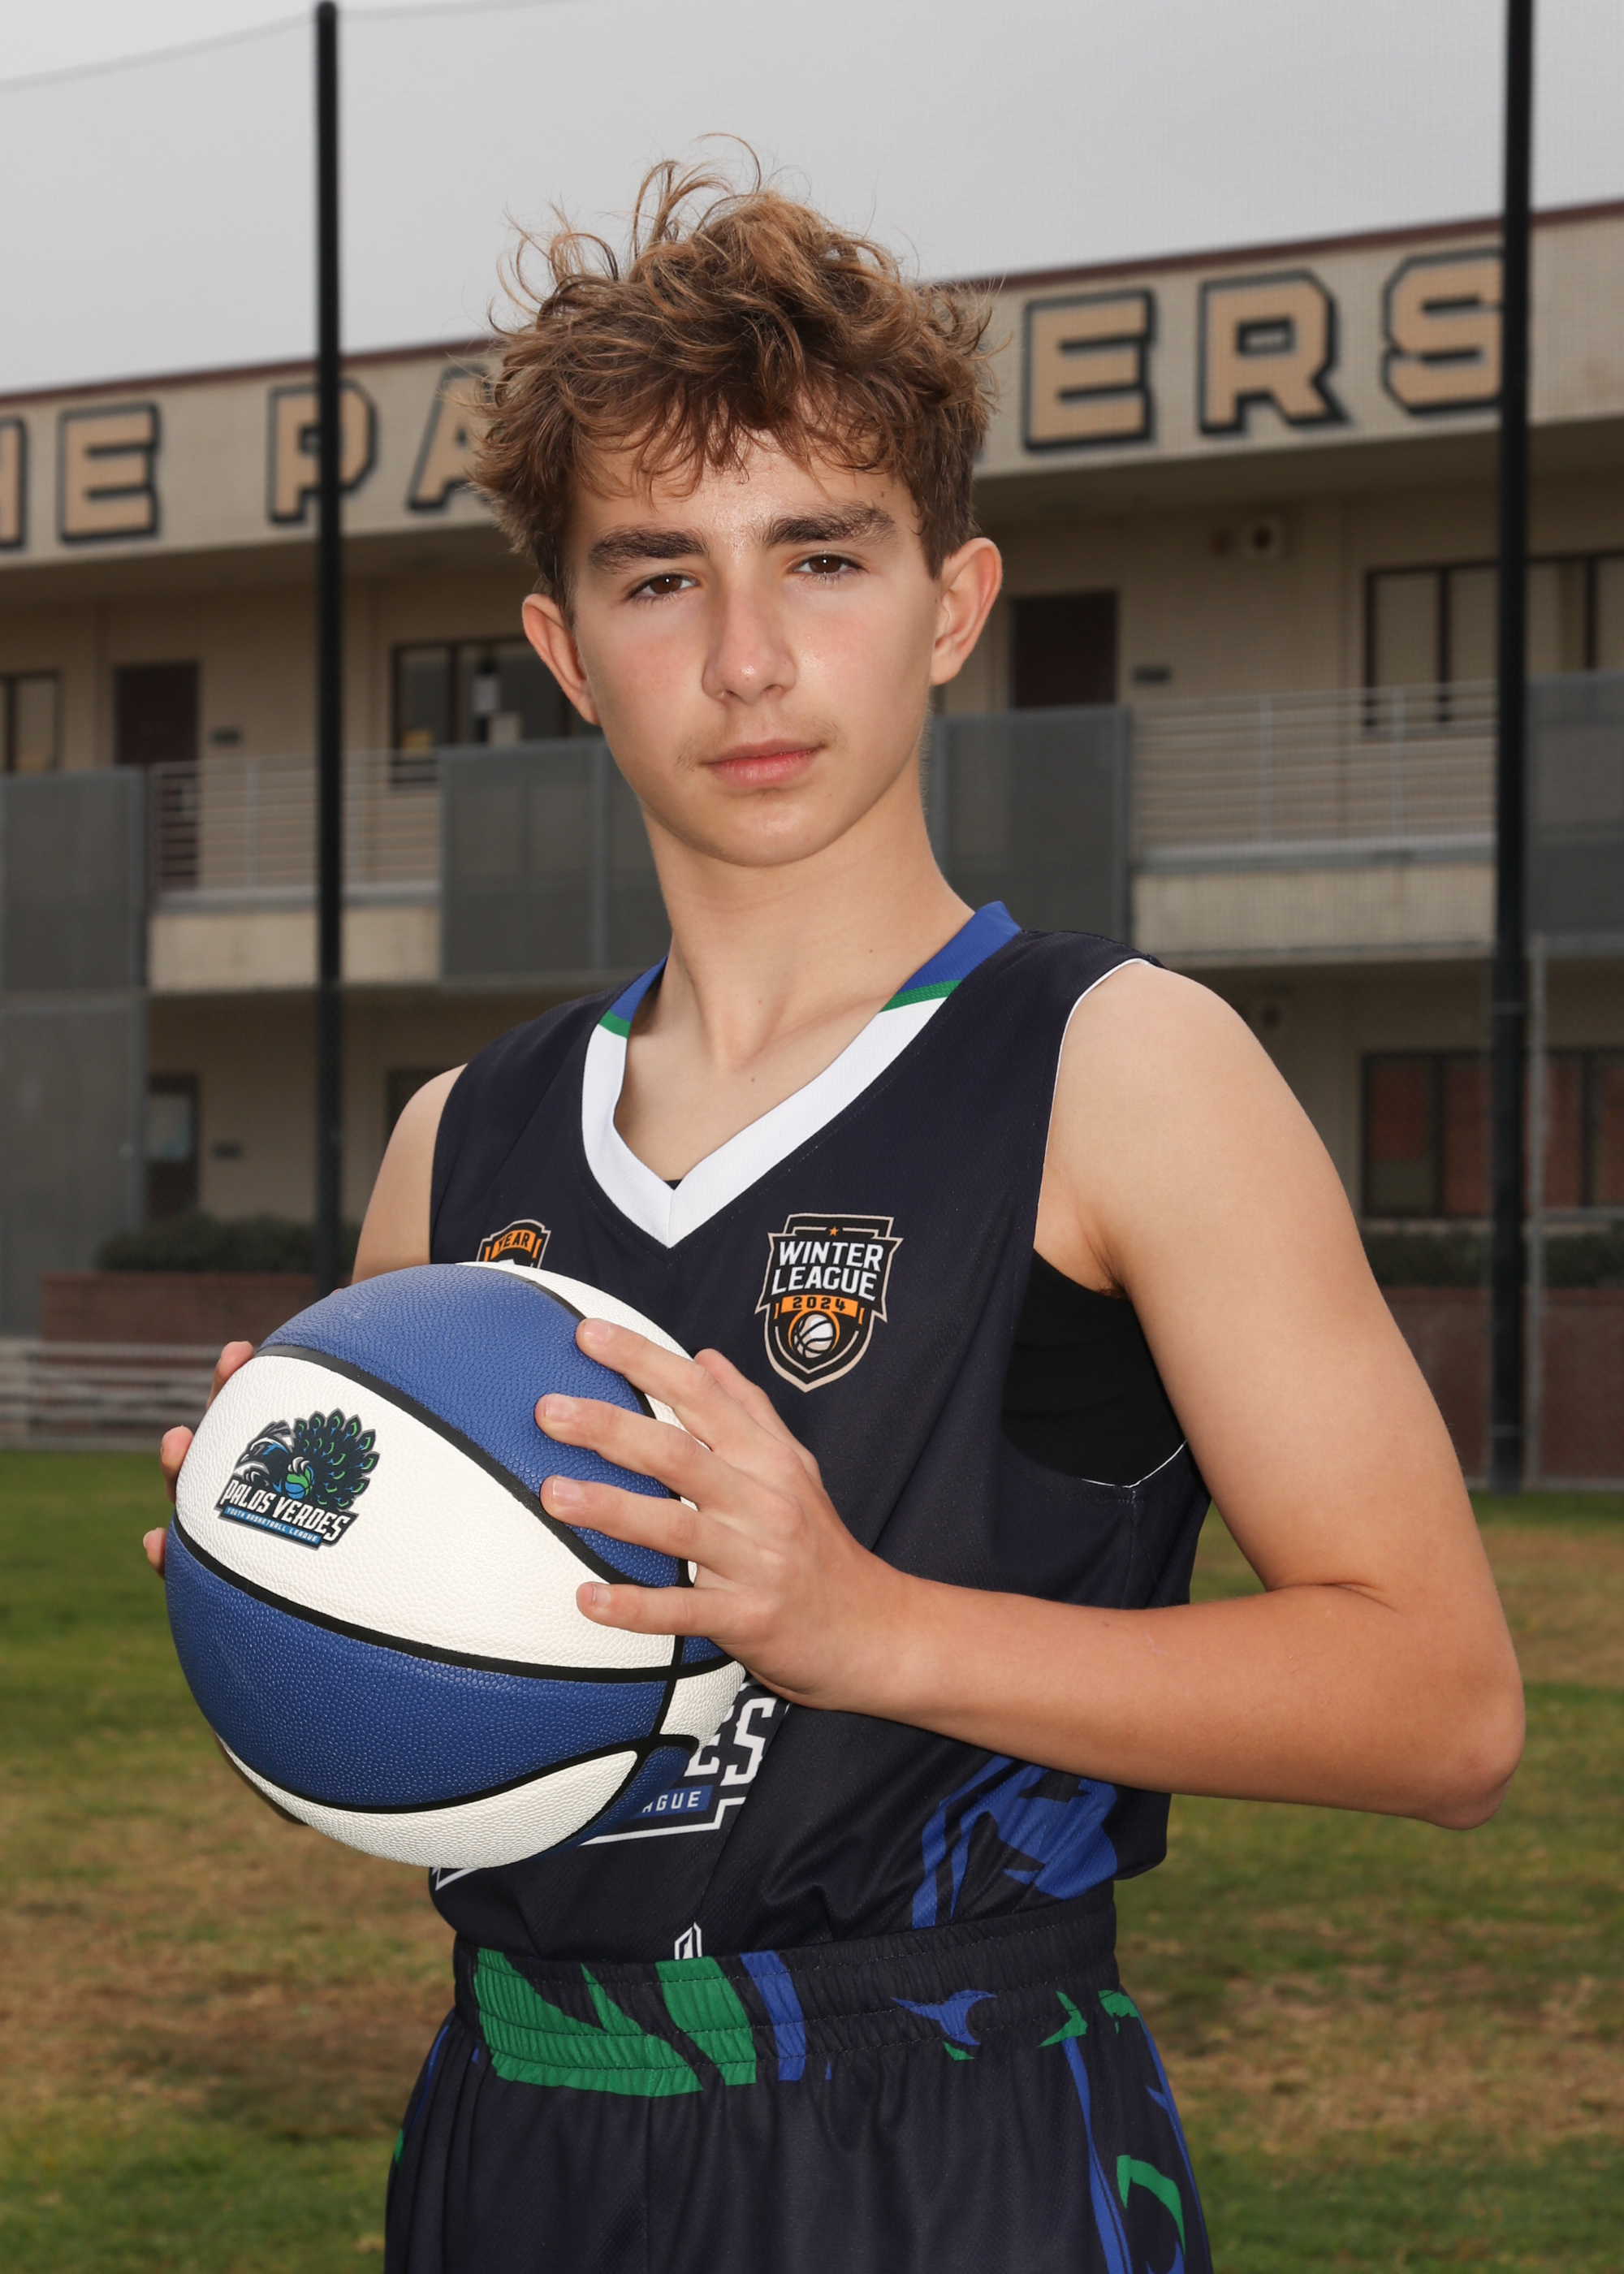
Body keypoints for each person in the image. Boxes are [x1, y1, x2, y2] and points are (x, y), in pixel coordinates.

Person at [147, 159, 1524, 2274]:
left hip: (947, 2134)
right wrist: (286, 1588)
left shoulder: (1117, 1067)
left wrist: (867, 1623)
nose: (750, 657)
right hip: (517, 2132)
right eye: (660, 577)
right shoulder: (460, 1140)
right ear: (564, 650)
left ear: (952, 602)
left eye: (822, 556)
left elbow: (1443, 1710)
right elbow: (451, 1736)